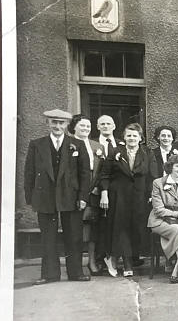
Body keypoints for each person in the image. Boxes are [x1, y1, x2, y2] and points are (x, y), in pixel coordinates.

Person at [24, 109, 91, 284]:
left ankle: (76, 273)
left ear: (67, 125)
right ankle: (49, 274)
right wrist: (30, 198)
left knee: (74, 236)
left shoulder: (77, 144)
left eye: (61, 123)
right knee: (48, 237)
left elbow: (85, 174)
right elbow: (29, 172)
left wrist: (83, 197)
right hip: (44, 197)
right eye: (54, 122)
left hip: (71, 196)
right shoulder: (36, 144)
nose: (57, 126)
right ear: (48, 123)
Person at [100, 123, 156, 278]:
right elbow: (105, 174)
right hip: (119, 196)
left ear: (140, 138)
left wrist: (152, 194)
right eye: (129, 135)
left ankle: (125, 259)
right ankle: (127, 263)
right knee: (121, 228)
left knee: (135, 228)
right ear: (124, 137)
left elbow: (153, 176)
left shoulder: (147, 153)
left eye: (135, 135)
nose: (132, 138)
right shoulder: (116, 152)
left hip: (140, 196)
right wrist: (104, 193)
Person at [148, 154, 178, 284]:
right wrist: (177, 214)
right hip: (159, 220)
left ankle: (176, 271)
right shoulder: (158, 183)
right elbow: (158, 209)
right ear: (170, 167)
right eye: (177, 167)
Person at [69, 114, 105, 276]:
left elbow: (102, 171)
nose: (85, 129)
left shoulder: (97, 146)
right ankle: (76, 265)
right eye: (82, 126)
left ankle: (91, 261)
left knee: (93, 230)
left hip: (94, 192)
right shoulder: (68, 144)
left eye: (88, 126)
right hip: (75, 193)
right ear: (74, 127)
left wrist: (97, 187)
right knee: (75, 229)